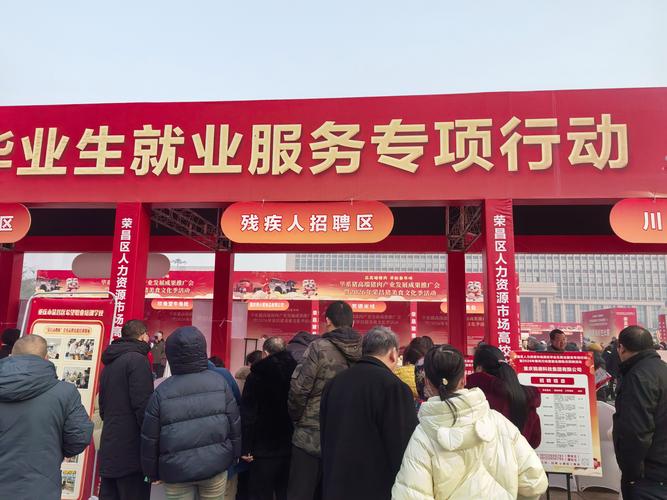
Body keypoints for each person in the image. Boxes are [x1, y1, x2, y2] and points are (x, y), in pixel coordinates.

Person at [392, 344, 548, 499]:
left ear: (427, 382)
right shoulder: (499, 422)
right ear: (463, 379)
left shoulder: (423, 435)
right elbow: (535, 483)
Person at [141, 326, 241, 499]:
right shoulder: (220, 383)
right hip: (215, 464)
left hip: (176, 470)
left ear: (171, 354)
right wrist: (235, 456)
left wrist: (151, 472)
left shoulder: (161, 391)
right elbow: (235, 424)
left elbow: (150, 437)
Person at [320, 327, 418, 500]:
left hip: (335, 485)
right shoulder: (395, 387)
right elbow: (402, 445)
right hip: (376, 488)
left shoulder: (334, 383)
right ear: (393, 354)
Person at [0, 334, 93, 500]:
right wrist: (53, 452)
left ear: (11, 355)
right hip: (41, 486)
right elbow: (79, 436)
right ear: (46, 358)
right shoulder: (65, 392)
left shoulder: (64, 392)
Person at [287, 300, 362, 500]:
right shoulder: (365, 350)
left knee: (300, 494)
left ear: (327, 321)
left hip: (310, 436)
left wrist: (298, 419)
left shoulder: (318, 347)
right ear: (353, 323)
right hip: (347, 437)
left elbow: (299, 389)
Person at [98, 320, 154, 500]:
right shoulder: (138, 360)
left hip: (110, 443)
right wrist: (151, 438)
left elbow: (102, 407)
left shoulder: (110, 363)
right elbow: (142, 405)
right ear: (143, 336)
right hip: (131, 449)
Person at [612, 326, 667, 499]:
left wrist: (631, 474)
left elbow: (636, 432)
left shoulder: (637, 376)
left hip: (649, 476)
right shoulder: (662, 369)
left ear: (621, 348)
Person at [240, 336, 297, 500]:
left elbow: (249, 414)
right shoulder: (297, 372)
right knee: (285, 491)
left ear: (265, 353)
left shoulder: (256, 376)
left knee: (261, 492)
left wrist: (246, 446)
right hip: (291, 443)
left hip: (263, 447)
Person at [466, 344, 542, 448]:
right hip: (518, 457)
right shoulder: (526, 395)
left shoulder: (472, 394)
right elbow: (535, 441)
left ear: (479, 368)